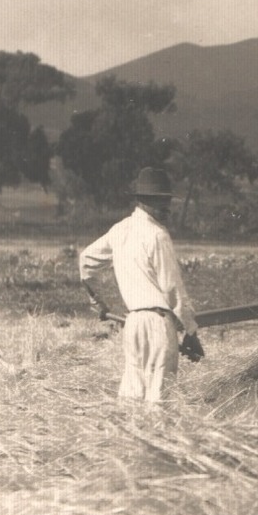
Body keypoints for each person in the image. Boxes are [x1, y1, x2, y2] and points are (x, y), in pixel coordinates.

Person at [79, 166, 203, 407]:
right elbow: (171, 288)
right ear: (145, 201)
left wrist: (96, 300)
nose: (167, 208)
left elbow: (85, 261)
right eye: (162, 201)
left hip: (133, 323)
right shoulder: (157, 234)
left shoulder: (120, 230)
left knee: (132, 397)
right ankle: (154, 442)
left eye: (167, 201)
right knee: (159, 399)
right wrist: (191, 330)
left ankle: (130, 442)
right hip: (158, 323)